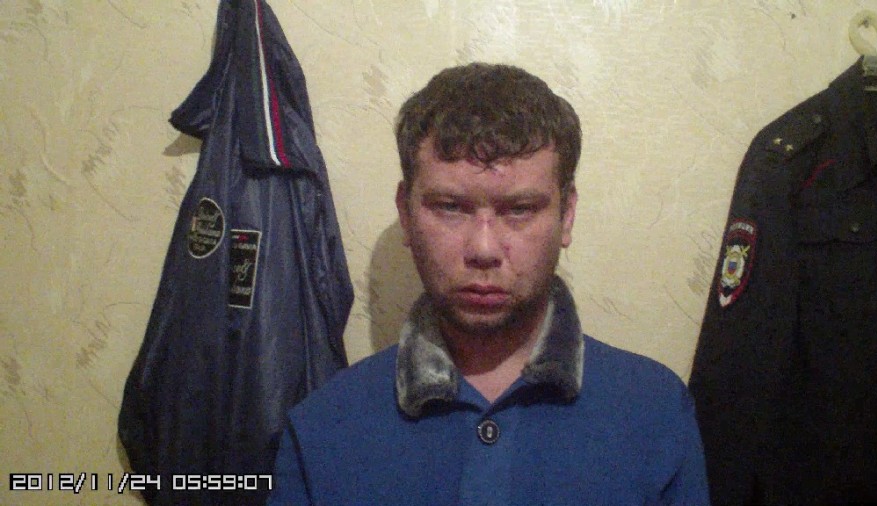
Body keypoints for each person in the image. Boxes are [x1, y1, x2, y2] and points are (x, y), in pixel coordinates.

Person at [267, 62, 710, 505]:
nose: (483, 248)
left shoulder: (655, 413)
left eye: (519, 209)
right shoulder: (323, 428)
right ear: (406, 212)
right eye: (450, 207)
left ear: (567, 215)